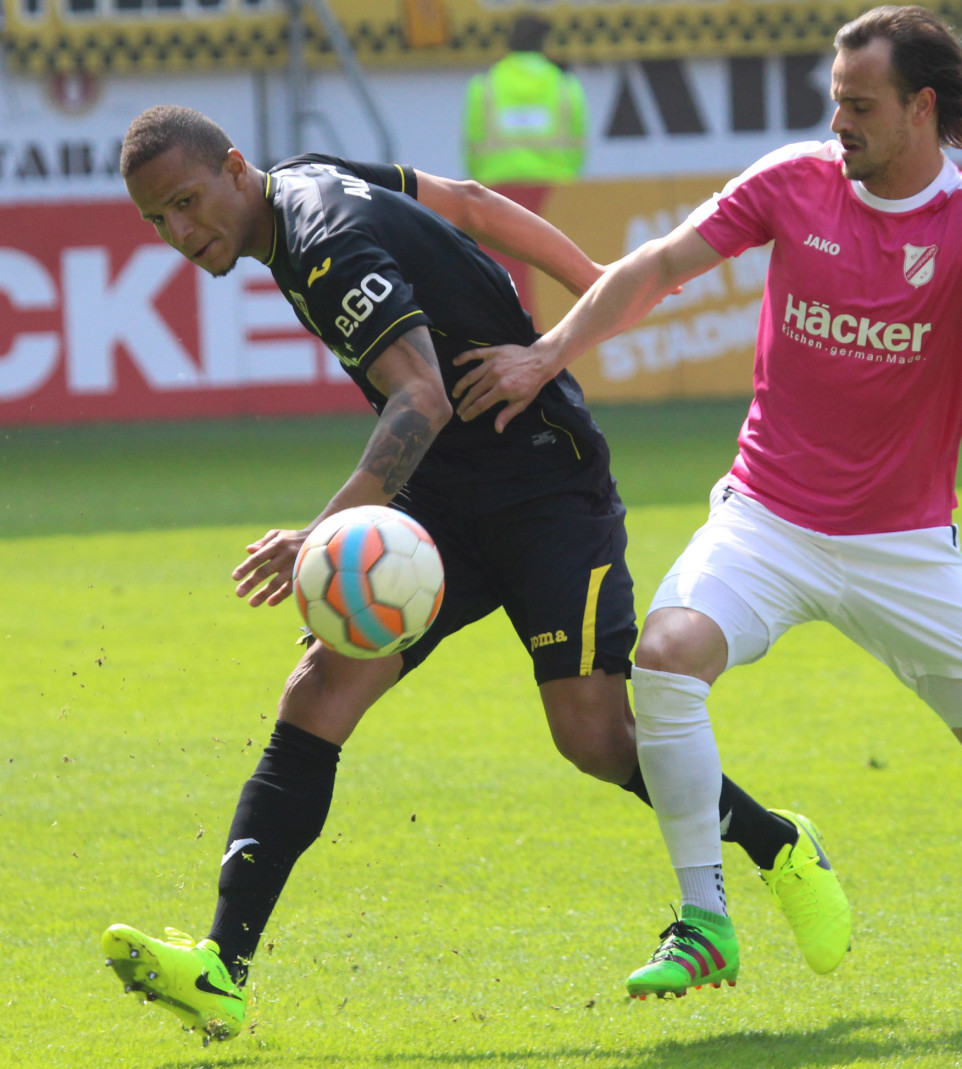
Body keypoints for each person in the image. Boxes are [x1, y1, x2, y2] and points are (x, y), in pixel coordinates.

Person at [452, 5, 962, 1001]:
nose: (839, 121)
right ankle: (705, 919)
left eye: (860, 105)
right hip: (767, 519)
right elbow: (658, 266)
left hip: (904, 545)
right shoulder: (792, 182)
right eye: (835, 101)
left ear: (920, 108)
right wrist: (547, 354)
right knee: (664, 660)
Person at [100, 105, 851, 1044]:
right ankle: (222, 968)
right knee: (319, 688)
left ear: (235, 169)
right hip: (439, 505)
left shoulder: (324, 243)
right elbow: (469, 200)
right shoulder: (306, 179)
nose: (178, 233)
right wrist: (594, 285)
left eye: (185, 202)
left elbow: (421, 397)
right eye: (156, 219)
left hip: (543, 489)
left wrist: (320, 536)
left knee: (592, 735)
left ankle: (780, 845)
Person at [462, 13, 588, 186]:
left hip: (496, 186)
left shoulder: (484, 87)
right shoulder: (566, 86)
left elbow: (472, 146)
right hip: (555, 185)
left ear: (509, 42)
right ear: (543, 42)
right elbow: (578, 144)